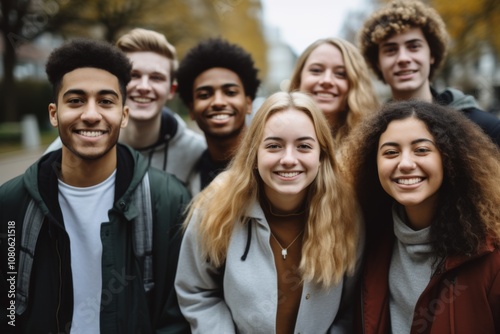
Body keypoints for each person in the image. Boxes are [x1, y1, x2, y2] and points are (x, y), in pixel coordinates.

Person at [0, 39, 190, 333]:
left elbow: (176, 316)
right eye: (75, 100)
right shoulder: (11, 202)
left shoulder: (168, 200)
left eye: (105, 101)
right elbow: (8, 307)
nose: (91, 114)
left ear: (123, 115)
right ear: (54, 113)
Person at [175, 91, 363, 333]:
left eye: (304, 146)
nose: (288, 159)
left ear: (321, 155)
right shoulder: (218, 204)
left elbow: (352, 306)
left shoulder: (346, 213)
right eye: (274, 146)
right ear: (254, 154)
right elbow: (197, 289)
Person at [341, 100, 500, 333]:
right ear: (372, 162)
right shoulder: (368, 242)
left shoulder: (491, 256)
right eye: (391, 152)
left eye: (422, 150)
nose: (405, 163)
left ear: (449, 158)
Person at [45, 28, 206, 184]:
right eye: (133, 75)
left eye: (156, 78)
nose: (144, 87)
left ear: (171, 90)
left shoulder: (194, 150)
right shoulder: (72, 145)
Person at [358, 0, 500, 146]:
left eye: (413, 46)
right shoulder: (370, 139)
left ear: (431, 54)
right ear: (377, 63)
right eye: (391, 50)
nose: (403, 58)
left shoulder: (486, 130)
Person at [176, 37, 260, 195]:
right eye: (205, 95)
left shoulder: (274, 163)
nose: (218, 102)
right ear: (191, 110)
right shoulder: (184, 178)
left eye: (230, 92)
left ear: (248, 104)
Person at [288, 37, 379, 145]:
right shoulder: (270, 134)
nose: (327, 80)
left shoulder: (374, 145)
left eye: (340, 74)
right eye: (316, 70)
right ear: (299, 79)